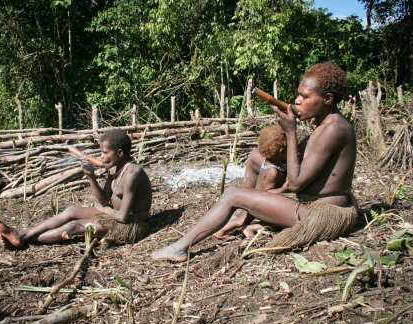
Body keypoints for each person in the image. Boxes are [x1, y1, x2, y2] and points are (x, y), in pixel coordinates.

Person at [152, 62, 358, 262]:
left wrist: (292, 132)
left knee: (233, 193)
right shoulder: (325, 125)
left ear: (328, 99)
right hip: (309, 204)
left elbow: (295, 183)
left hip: (321, 213)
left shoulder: (334, 129)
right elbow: (294, 162)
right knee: (256, 157)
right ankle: (242, 215)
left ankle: (180, 247)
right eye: (298, 94)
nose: (297, 101)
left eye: (304, 96)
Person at [0, 128, 152, 248]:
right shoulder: (115, 169)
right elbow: (103, 200)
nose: (101, 157)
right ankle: (21, 235)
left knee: (73, 227)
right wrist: (91, 176)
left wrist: (104, 211)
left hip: (132, 223)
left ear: (119, 152)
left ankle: (22, 239)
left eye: (104, 153)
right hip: (114, 215)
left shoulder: (133, 173)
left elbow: (124, 217)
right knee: (71, 211)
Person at [213, 125, 289, 240]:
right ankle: (226, 230)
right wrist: (284, 188)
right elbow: (267, 192)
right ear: (282, 151)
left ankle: (229, 229)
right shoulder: (273, 172)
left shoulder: (270, 163)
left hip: (256, 200)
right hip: (258, 203)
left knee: (242, 219)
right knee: (245, 221)